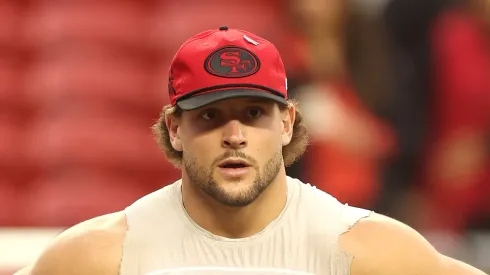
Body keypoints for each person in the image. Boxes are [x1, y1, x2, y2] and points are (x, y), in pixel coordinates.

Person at [16, 27, 487, 275]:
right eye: (210, 116)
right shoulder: (100, 257)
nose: (235, 135)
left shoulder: (368, 253)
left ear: (287, 123)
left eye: (254, 114)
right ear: (174, 128)